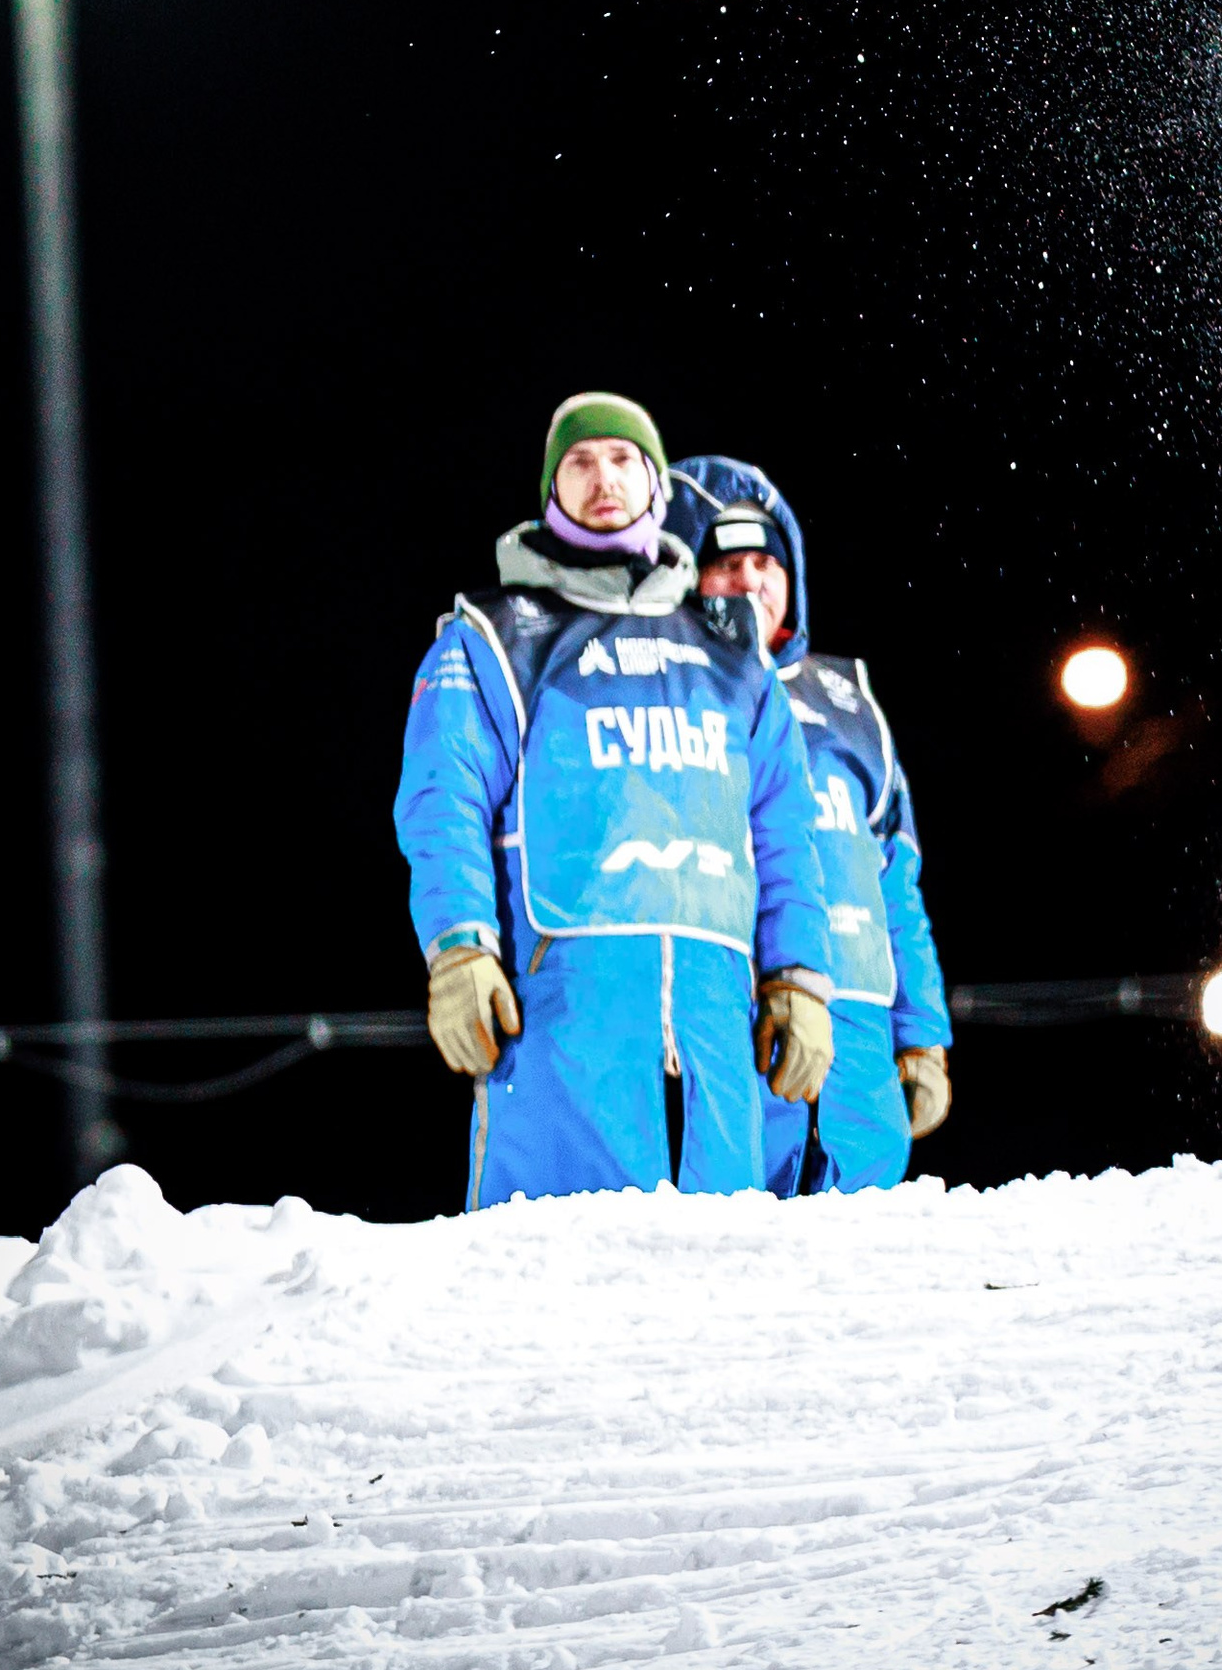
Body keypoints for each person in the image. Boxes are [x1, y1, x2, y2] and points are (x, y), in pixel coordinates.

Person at [393, 389, 836, 1208]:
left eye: (626, 459)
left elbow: (781, 829)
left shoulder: (732, 650)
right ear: (552, 491)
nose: (605, 477)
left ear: (657, 485)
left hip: (717, 1021)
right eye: (581, 461)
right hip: (557, 1015)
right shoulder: (494, 634)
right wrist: (459, 947)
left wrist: (800, 975)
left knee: (726, 1284)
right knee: (556, 1282)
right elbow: (443, 800)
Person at [668, 454, 952, 1193]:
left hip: (859, 1039)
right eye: (725, 563)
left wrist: (922, 1037)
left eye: (765, 561)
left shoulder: (848, 702)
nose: (750, 580)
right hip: (741, 1028)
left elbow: (899, 882)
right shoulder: (669, 689)